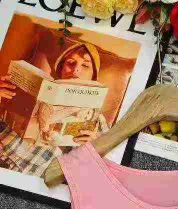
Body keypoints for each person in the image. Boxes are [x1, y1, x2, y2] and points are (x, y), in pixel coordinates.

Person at [0, 41, 108, 175]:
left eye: (85, 65)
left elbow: (98, 171)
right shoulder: (30, 90)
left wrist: (94, 149)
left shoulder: (97, 118)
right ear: (61, 69)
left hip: (32, 172)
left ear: (93, 76)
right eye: (70, 62)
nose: (75, 69)